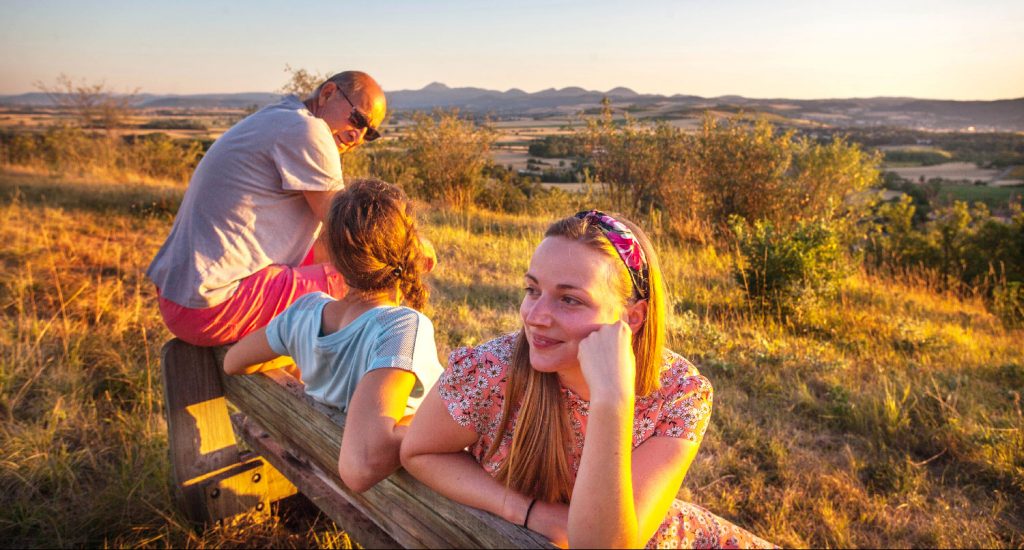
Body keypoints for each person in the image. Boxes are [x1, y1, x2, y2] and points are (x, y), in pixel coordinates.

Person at [401, 211, 775, 548]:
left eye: (569, 300)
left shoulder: (679, 392)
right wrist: (525, 511)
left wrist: (612, 400)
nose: (536, 316)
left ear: (632, 318)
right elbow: (419, 451)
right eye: (532, 290)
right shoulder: (492, 370)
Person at [224, 178, 443, 492]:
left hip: (321, 468)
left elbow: (234, 362)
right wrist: (446, 419)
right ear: (410, 250)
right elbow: (364, 464)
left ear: (332, 256)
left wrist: (306, 352)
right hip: (399, 498)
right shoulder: (401, 327)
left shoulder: (305, 311)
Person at [147, 71, 387, 347]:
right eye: (358, 119)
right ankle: (333, 387)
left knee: (330, 253)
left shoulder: (280, 117)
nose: (358, 135)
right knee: (368, 277)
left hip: (181, 296)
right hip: (212, 305)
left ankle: (293, 369)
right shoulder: (309, 130)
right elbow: (347, 229)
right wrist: (412, 246)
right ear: (327, 93)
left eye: (371, 133)